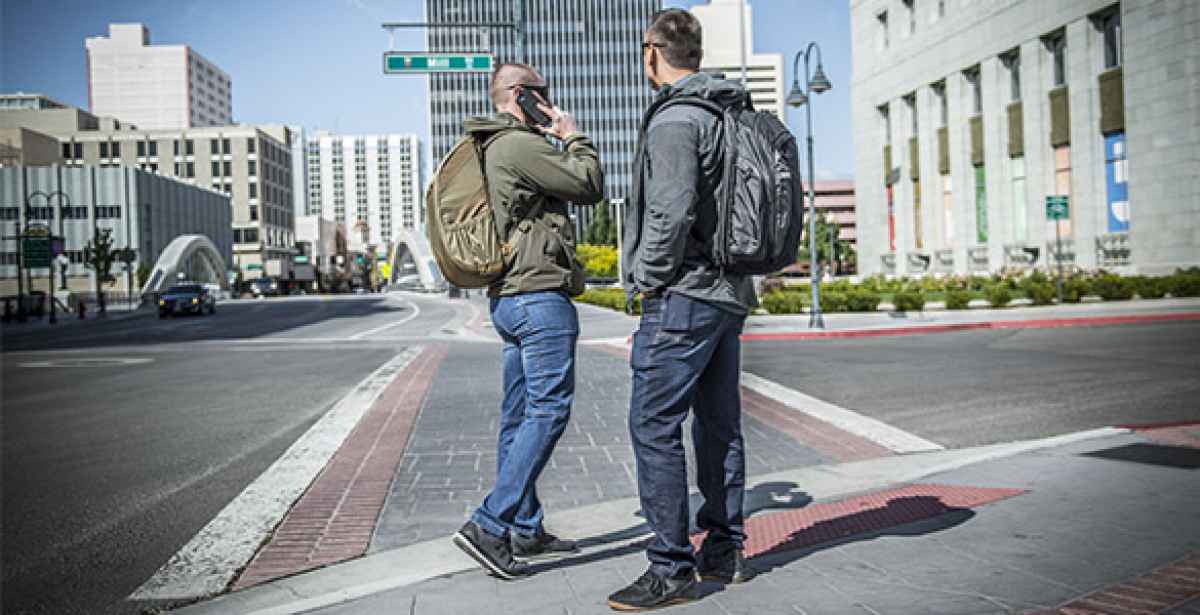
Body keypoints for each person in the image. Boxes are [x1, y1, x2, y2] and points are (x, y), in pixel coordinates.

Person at [608, 9, 758, 611]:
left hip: (684, 294)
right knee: (719, 424)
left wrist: (647, 280)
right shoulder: (728, 111)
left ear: (652, 52)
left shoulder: (675, 118)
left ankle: (670, 568)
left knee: (653, 423)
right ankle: (724, 549)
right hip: (728, 294)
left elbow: (669, 213)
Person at [451, 63, 605, 580]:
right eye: (544, 92)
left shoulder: (492, 145)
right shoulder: (518, 144)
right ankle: (490, 524)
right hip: (538, 296)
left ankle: (524, 527)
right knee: (549, 410)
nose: (551, 99)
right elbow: (588, 182)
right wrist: (573, 135)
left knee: (519, 418)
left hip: (511, 299)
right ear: (522, 95)